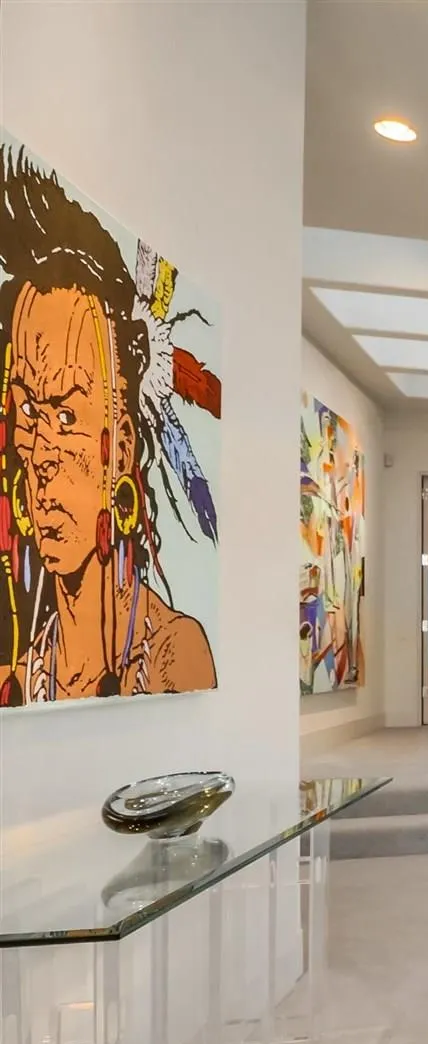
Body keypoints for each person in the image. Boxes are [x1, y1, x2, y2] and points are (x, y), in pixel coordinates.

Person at [0, 144, 217, 704]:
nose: (41, 452)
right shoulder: (22, 678)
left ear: (120, 447)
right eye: (27, 411)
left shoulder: (173, 653)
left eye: (67, 415)